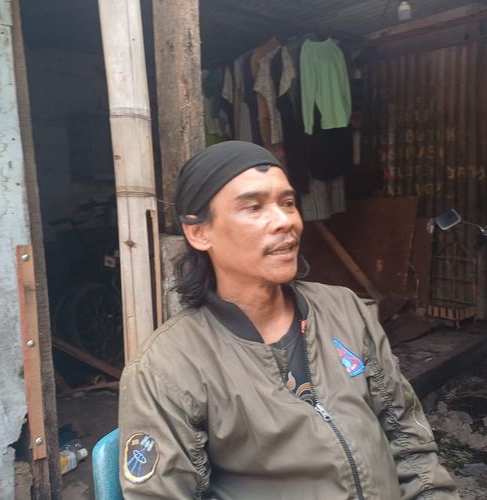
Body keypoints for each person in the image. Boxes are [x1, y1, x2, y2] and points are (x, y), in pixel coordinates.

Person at [118, 141, 458, 499]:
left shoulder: (345, 309)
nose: (286, 221)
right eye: (254, 207)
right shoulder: (167, 368)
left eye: (288, 203)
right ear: (199, 232)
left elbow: (407, 435)